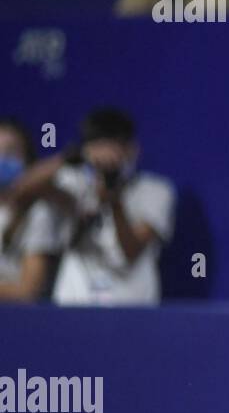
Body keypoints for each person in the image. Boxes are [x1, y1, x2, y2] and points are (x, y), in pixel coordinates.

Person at [33, 108, 176, 307]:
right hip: (73, 305)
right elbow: (23, 190)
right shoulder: (74, 183)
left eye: (114, 148)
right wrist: (73, 157)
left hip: (132, 310)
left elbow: (130, 251)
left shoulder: (155, 191)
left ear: (132, 149)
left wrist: (113, 200)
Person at [0, 119, 60, 302]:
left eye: (10, 152)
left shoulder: (38, 212)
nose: (1, 159)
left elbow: (28, 291)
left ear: (27, 159)